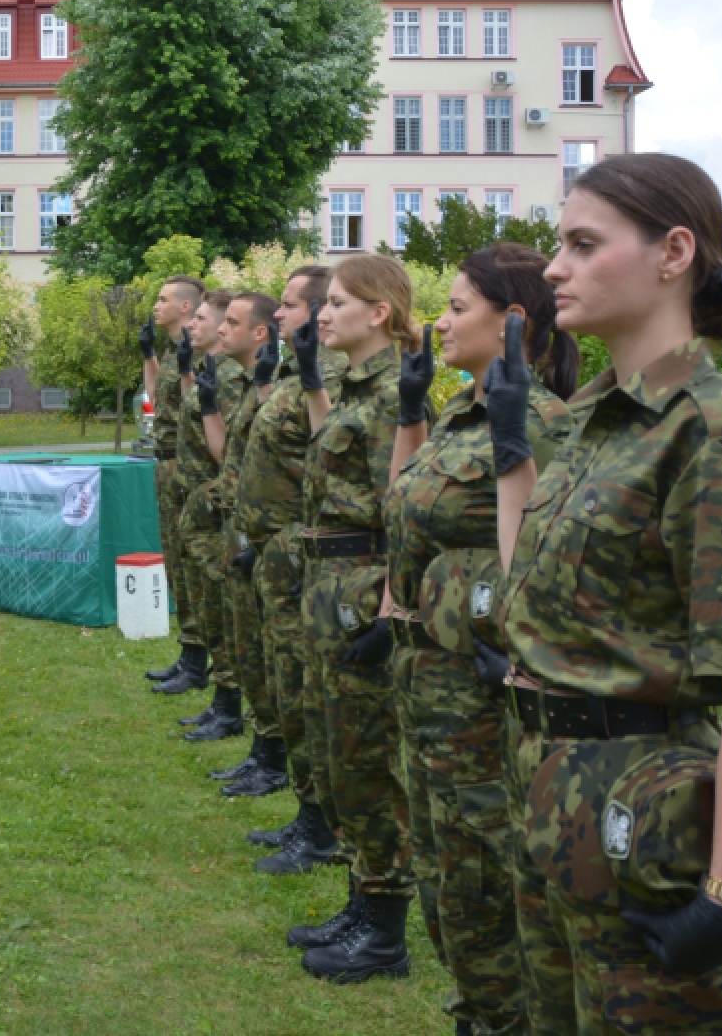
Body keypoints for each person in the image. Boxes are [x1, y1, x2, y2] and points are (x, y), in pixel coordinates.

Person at [492, 154, 722, 1032]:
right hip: (555, 813)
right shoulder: (596, 420)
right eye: (559, 245)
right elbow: (529, 601)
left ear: (673, 252)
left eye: (583, 245)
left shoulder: (713, 433)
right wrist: (516, 449)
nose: (555, 270)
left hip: (646, 829)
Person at [383, 245, 575, 1034]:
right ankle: (478, 1013)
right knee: (444, 877)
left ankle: (503, 1019)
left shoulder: (540, 424)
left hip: (487, 703)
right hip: (432, 690)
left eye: (459, 307)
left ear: (513, 321)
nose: (440, 320)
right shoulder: (462, 413)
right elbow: (399, 507)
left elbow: (546, 563)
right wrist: (410, 412)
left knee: (490, 885)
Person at [288, 253, 423, 984]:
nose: (323, 314)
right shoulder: (354, 390)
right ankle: (362, 903)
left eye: (337, 303)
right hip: (330, 588)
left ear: (378, 312)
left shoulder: (396, 397)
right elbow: (325, 461)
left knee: (369, 769)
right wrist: (314, 381)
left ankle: (384, 930)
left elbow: (407, 513)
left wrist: (393, 608)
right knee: (342, 763)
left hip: (363, 590)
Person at [233, 266, 350, 873]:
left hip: (302, 553)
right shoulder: (290, 374)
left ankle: (322, 826)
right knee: (287, 686)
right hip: (274, 549)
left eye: (287, 305)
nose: (278, 315)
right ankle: (309, 816)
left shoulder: (328, 380)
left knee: (305, 695)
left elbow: (329, 470)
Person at [200, 291, 285, 795]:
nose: (217, 330)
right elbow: (229, 456)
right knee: (245, 648)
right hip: (238, 526)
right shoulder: (254, 385)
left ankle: (273, 760)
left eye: (231, 321)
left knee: (265, 656)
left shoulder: (282, 386)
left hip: (273, 540)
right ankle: (263, 750)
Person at [168, 291, 248, 740]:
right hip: (198, 502)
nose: (196, 326)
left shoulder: (233, 378)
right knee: (205, 604)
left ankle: (229, 704)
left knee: (222, 612)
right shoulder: (211, 372)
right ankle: (220, 698)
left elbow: (228, 453)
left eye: (204, 318)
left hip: (216, 507)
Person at [140, 276, 208, 690]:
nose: (156, 305)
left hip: (185, 464)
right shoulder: (173, 351)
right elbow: (157, 396)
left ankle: (199, 659)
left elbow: (196, 407)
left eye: (164, 299)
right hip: (164, 461)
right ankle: (189, 653)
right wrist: (149, 354)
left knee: (189, 561)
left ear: (185, 307)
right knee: (174, 562)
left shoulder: (200, 351)